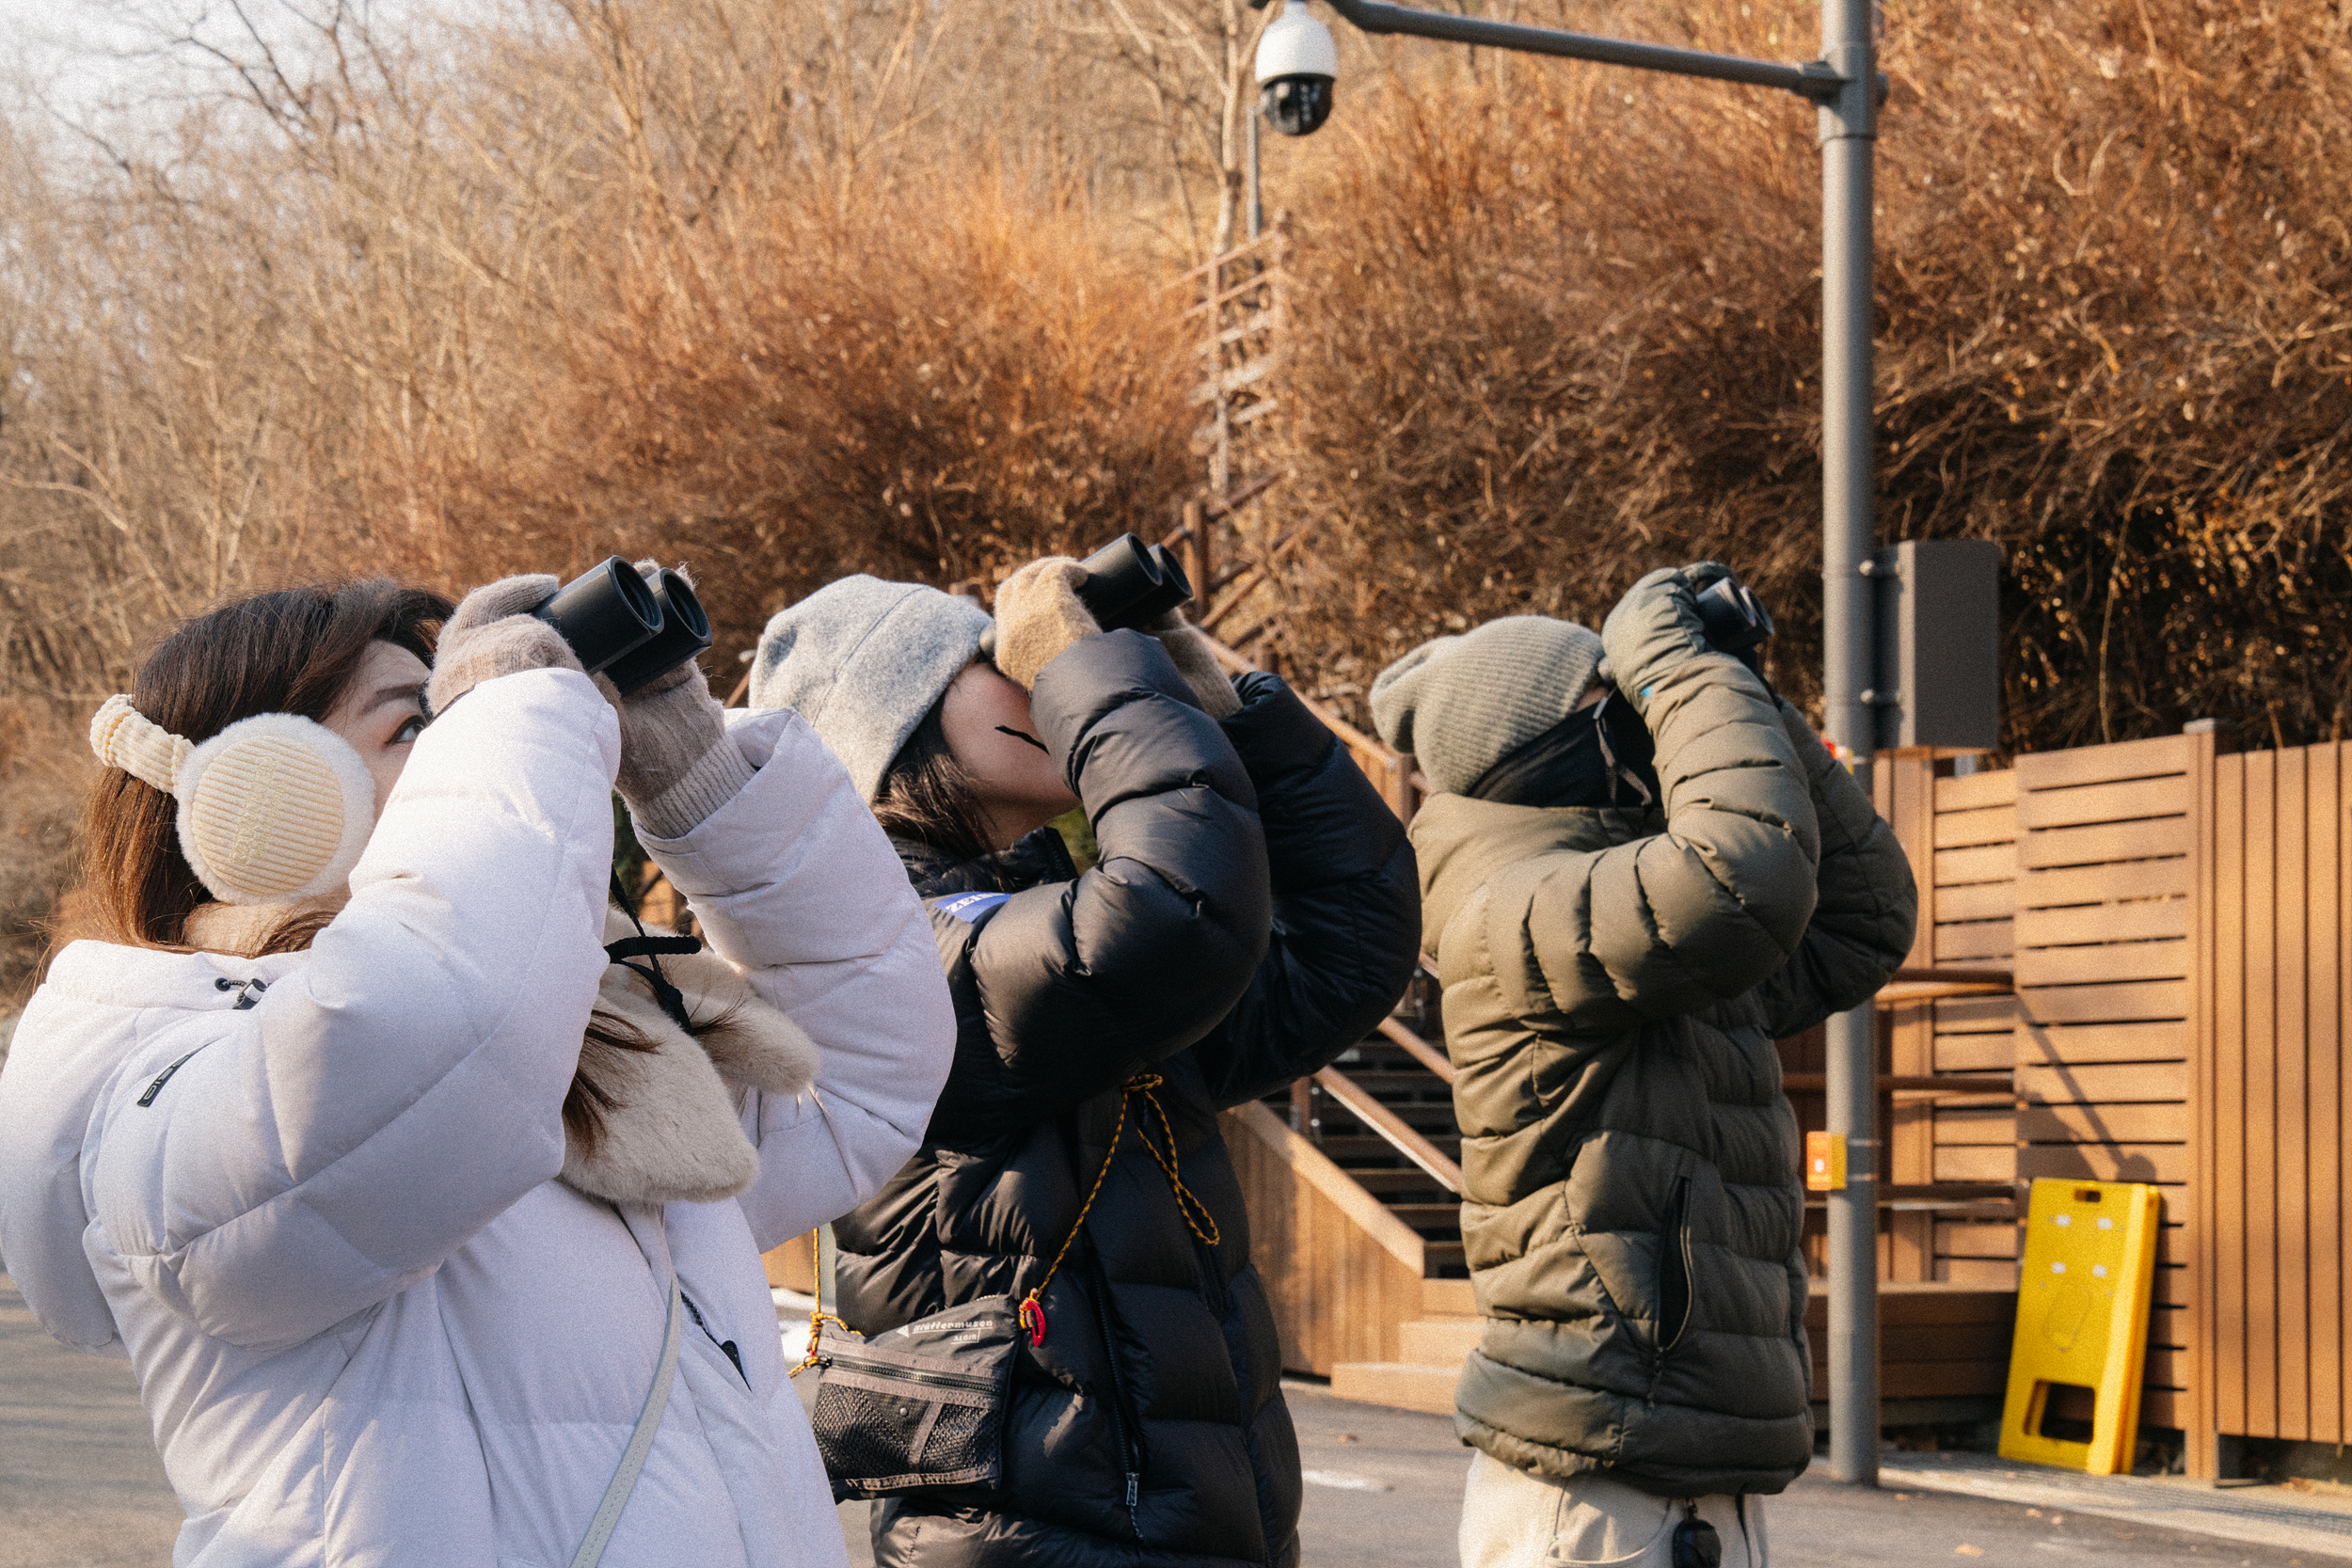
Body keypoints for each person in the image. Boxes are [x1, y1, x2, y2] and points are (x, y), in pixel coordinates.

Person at [0, 575, 956, 1566]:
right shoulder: (168, 1075)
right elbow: (422, 1040)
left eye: (461, 715)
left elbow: (863, 1070)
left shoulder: (581, 1047)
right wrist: (517, 709)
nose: (469, 739)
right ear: (256, 794)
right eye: (419, 723)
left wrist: (697, 776)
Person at [750, 559, 1422, 1568]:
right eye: (995, 663)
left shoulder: (1043, 927)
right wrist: (1095, 675)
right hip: (1037, 1536)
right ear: (897, 723)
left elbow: (1348, 943)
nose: (1035, 683)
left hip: (1177, 1524)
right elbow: (1175, 913)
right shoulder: (881, 946)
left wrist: (1205, 698)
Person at [1369, 564, 1918, 1568]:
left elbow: (1864, 915)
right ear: (1546, 750)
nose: (1649, 724)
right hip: (1597, 1489)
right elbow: (1746, 876)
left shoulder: (1641, 920)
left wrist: (1739, 691)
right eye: (1617, 701)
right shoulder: (1518, 907)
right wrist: (1676, 668)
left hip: (1689, 1473)